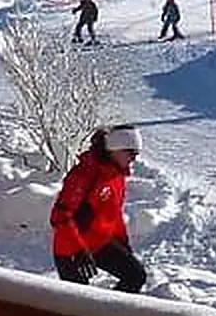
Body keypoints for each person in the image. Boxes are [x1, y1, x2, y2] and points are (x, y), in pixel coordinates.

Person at [50, 125, 148, 293]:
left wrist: (123, 242)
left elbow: (114, 213)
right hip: (71, 248)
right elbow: (60, 215)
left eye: (136, 154)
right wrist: (78, 250)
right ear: (114, 149)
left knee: (135, 275)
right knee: (79, 300)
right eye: (130, 153)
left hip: (99, 242)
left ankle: (110, 314)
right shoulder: (84, 174)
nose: (134, 159)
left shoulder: (117, 175)